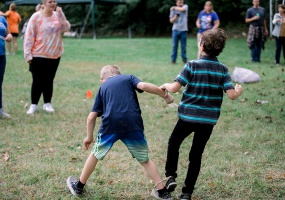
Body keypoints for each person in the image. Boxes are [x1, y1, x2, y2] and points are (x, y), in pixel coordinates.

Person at [66, 65, 174, 199]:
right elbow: (144, 86)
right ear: (119, 74)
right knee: (145, 160)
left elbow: (91, 117)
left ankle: (78, 187)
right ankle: (163, 192)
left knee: (95, 154)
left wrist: (89, 137)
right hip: (132, 122)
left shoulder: (103, 88)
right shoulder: (128, 78)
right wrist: (164, 95)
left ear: (102, 79)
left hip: (110, 125)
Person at [160, 28, 243, 200]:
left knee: (174, 143)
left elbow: (175, 88)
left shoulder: (192, 65)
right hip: (207, 121)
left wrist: (166, 85)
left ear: (202, 46)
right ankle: (187, 193)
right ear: (220, 49)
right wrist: (238, 90)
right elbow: (232, 95)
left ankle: (170, 176)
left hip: (187, 117)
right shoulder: (222, 69)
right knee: (196, 155)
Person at [24, 0, 70, 115]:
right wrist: (27, 54)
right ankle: (33, 105)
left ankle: (47, 103)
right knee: (37, 80)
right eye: (50, 1)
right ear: (43, 3)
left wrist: (61, 15)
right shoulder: (36, 17)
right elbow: (29, 35)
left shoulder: (57, 16)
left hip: (55, 54)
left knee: (49, 79)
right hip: (38, 54)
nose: (53, 3)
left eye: (54, 1)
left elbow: (66, 28)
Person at [0, 16, 13, 117]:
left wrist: (9, 36)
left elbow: (8, 33)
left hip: (1, 55)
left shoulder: (2, 19)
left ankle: (0, 109)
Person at [169, 0, 188, 64]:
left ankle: (184, 59)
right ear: (176, 2)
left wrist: (174, 7)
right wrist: (175, 17)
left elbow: (182, 9)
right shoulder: (173, 10)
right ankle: (173, 60)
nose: (181, 4)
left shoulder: (185, 6)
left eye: (182, 2)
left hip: (184, 30)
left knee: (183, 46)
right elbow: (171, 21)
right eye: (179, 2)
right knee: (174, 46)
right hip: (175, 30)